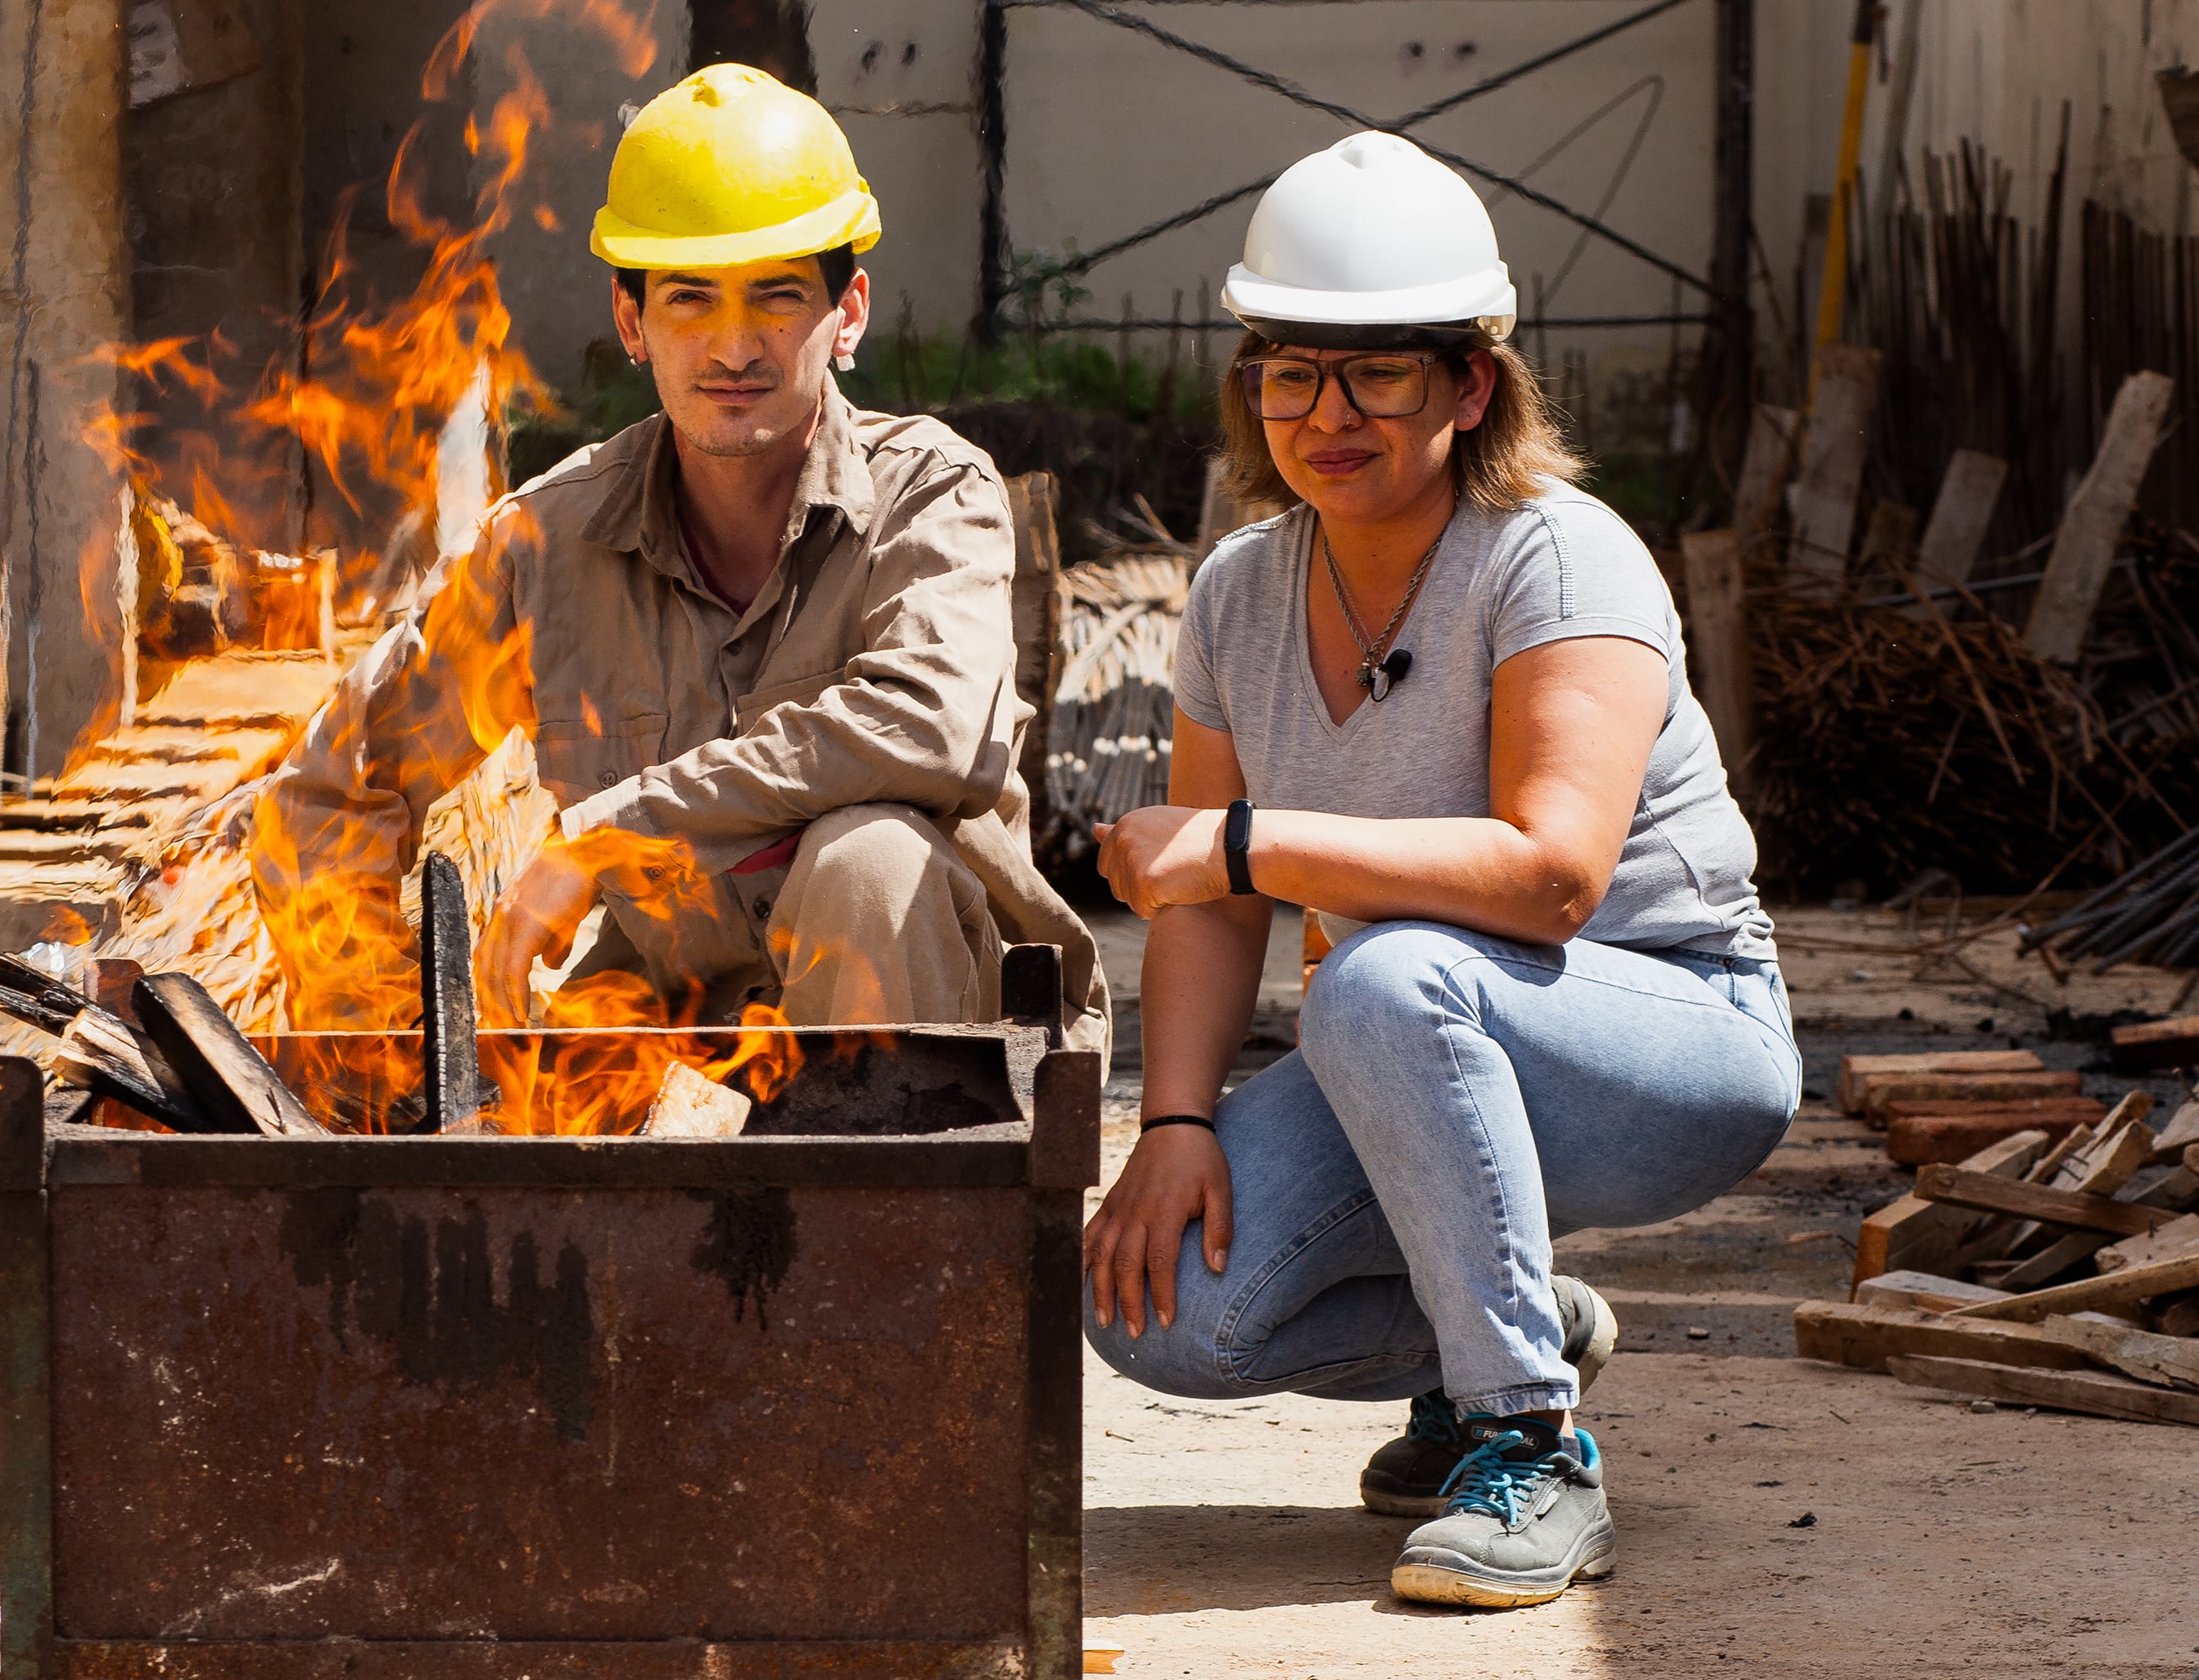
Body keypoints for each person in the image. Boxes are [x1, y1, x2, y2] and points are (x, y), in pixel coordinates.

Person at [1083, 132, 1798, 1609]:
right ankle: (1514, 1325)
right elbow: (1210, 910)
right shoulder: (1239, 590)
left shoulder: (1557, 557)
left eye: (1380, 373)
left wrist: (1244, 839)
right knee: (1163, 1317)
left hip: (1672, 1036)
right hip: (1407, 1039)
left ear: (1472, 384)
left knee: (1385, 972)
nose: (1326, 413)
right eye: (1291, 371)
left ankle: (1529, 1447)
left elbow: (1552, 878)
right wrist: (1169, 1122)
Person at [252, 64, 1105, 1045]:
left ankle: (872, 1196)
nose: (734, 346)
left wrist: (613, 830)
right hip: (673, 1036)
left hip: (935, 1047)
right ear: (632, 323)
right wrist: (379, 1033)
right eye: (690, 300)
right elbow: (326, 787)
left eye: (777, 297)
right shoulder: (548, 542)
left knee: (864, 861)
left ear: (851, 311)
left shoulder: (930, 494)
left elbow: (925, 726)